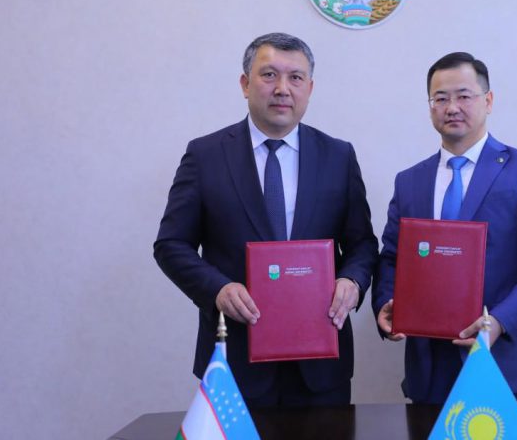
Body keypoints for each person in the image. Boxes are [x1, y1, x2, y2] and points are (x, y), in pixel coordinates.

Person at [154, 33, 378, 407]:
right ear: (245, 84)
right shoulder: (206, 155)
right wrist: (217, 289)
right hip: (235, 357)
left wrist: (352, 280)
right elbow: (171, 244)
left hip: (322, 360)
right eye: (269, 75)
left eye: (295, 78)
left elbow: (362, 244)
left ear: (310, 88)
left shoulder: (338, 156)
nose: (282, 89)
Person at [372, 52, 517, 405]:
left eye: (464, 96)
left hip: (508, 366)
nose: (452, 107)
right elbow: (391, 257)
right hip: (430, 372)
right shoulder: (410, 181)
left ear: (488, 101)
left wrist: (499, 321)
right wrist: (386, 302)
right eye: (440, 98)